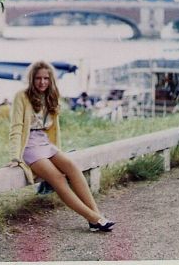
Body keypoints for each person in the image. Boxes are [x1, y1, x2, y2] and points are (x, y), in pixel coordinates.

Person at [7, 61, 115, 232]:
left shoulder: (51, 95)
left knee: (72, 167)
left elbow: (53, 128)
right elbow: (16, 128)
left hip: (45, 143)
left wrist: (57, 150)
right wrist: (15, 156)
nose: (42, 82)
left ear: (51, 80)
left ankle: (96, 216)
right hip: (29, 146)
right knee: (58, 178)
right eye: (38, 78)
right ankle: (94, 218)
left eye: (45, 78)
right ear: (31, 79)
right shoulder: (21, 96)